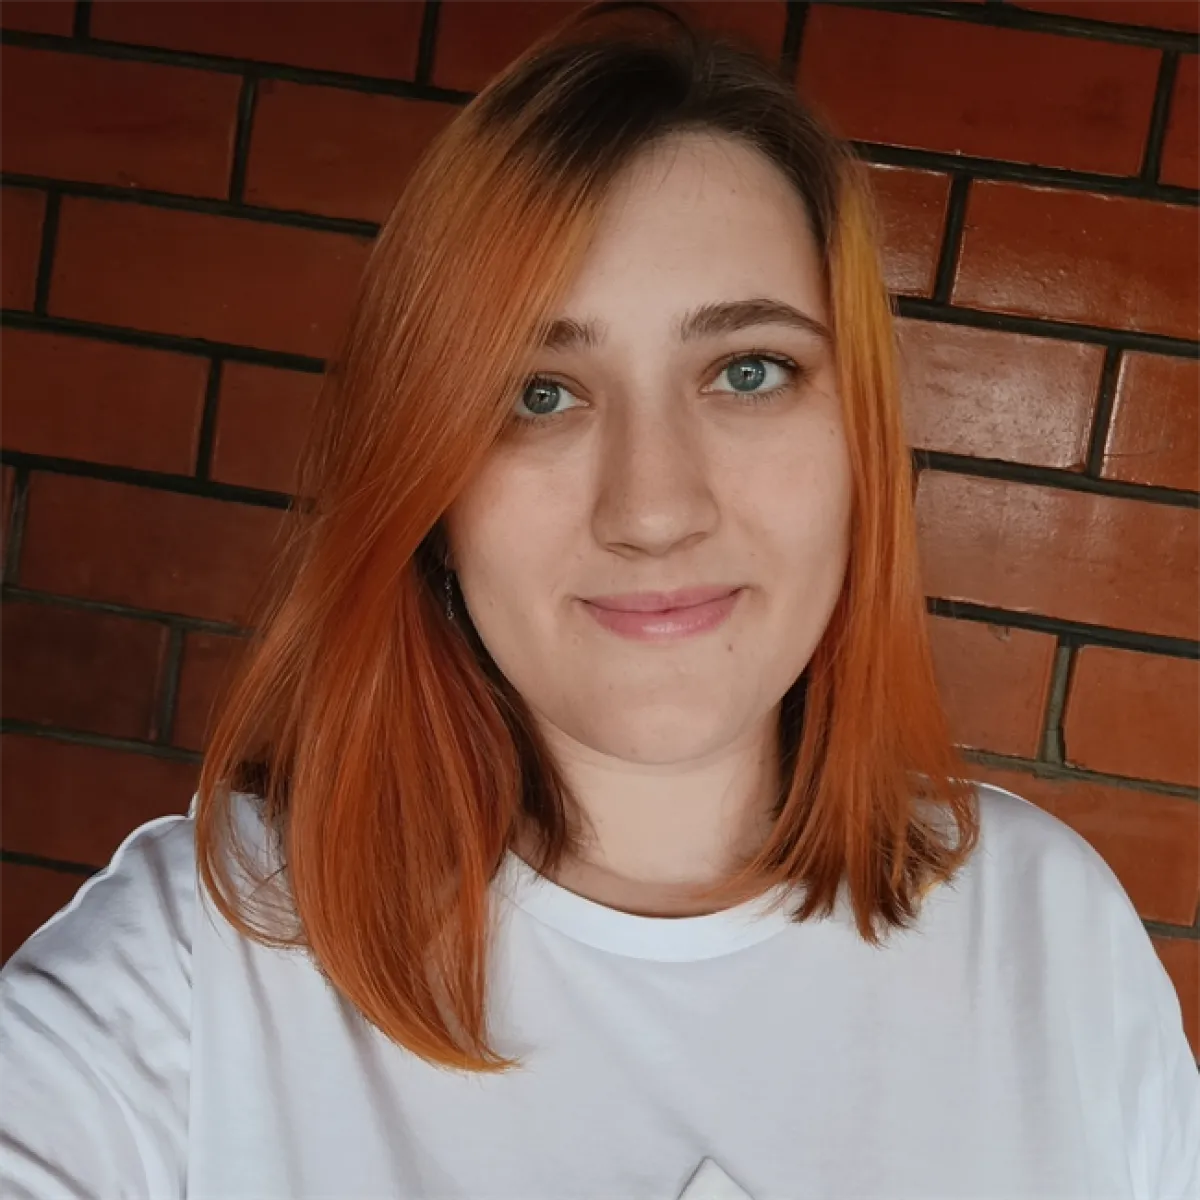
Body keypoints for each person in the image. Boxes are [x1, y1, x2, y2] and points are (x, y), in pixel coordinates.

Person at [2, 3, 1197, 1197]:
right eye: (541, 393)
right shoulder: (204, 957)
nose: (653, 509)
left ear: (862, 447)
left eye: (748, 371)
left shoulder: (1049, 937)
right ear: (431, 489)